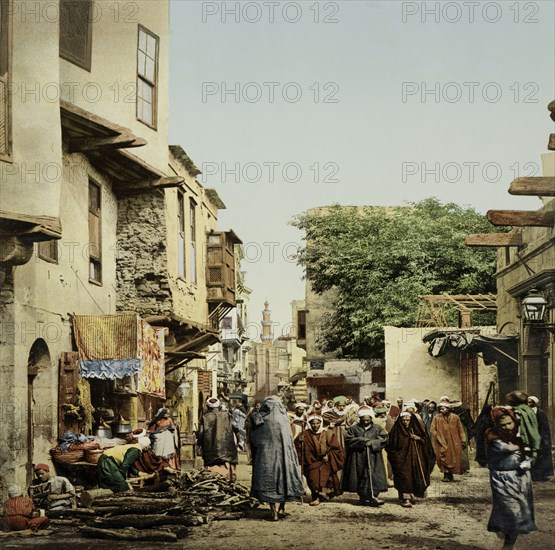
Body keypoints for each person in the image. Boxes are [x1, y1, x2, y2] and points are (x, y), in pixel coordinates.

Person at [486, 407, 537, 549]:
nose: (507, 427)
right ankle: (507, 539)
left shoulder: (520, 434)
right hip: (502, 478)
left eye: (509, 423)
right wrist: (525, 446)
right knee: (511, 511)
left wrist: (529, 461)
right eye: (502, 425)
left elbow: (532, 452)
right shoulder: (492, 436)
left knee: (519, 512)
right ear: (496, 425)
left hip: (520, 477)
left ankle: (508, 544)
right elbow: (507, 449)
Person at [249, 395, 305, 521]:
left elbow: (254, 438)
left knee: (269, 482)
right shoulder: (284, 419)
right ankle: (282, 508)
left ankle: (273, 512)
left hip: (266, 458)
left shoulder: (261, 419)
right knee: (285, 481)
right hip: (285, 457)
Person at [342, 405, 388, 506]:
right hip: (358, 456)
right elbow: (348, 440)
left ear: (371, 419)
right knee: (360, 474)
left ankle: (373, 496)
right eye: (363, 420)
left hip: (374, 456)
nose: (366, 422)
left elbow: (384, 439)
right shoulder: (353, 428)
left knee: (373, 474)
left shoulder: (377, 428)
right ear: (360, 419)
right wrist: (361, 441)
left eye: (368, 420)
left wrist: (373, 443)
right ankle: (363, 497)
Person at [386, 412, 435, 508]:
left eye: (407, 420)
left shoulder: (416, 430)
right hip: (402, 460)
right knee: (404, 476)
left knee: (414, 476)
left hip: (415, 460)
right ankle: (405, 498)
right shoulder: (396, 431)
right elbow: (390, 445)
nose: (405, 422)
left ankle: (412, 494)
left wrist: (419, 439)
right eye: (403, 420)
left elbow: (427, 444)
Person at [302, 414, 344, 506]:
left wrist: (328, 455)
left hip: (325, 461)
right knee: (313, 479)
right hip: (311, 461)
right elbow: (300, 448)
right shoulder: (305, 434)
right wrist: (300, 442)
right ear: (309, 424)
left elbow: (336, 447)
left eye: (317, 423)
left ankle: (322, 494)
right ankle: (315, 496)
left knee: (325, 478)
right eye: (313, 423)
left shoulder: (328, 433)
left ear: (320, 423)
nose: (315, 425)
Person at [197, 397, 238, 481]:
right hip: (228, 450)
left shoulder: (205, 417)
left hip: (211, 452)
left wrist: (199, 444)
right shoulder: (227, 415)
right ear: (219, 405)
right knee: (228, 477)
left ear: (208, 407)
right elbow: (236, 428)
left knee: (213, 477)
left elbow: (201, 434)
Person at [430, 403, 466, 482]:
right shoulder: (436, 417)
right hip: (441, 441)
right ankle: (445, 475)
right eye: (440, 409)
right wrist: (438, 436)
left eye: (443, 408)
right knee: (442, 457)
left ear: (448, 409)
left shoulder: (456, 417)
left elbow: (460, 429)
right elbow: (432, 429)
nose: (441, 410)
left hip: (453, 441)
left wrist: (463, 440)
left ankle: (451, 474)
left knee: (453, 457)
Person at [506, 391, 541, 462]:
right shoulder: (529, 411)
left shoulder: (512, 412)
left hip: (516, 444)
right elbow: (534, 432)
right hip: (528, 445)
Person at [527, 395, 554, 481]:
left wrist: (543, 438)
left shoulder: (541, 413)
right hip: (531, 437)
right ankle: (533, 475)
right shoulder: (527, 412)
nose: (528, 404)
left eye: (530, 402)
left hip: (540, 437)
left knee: (541, 457)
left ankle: (541, 475)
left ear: (534, 403)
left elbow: (544, 427)